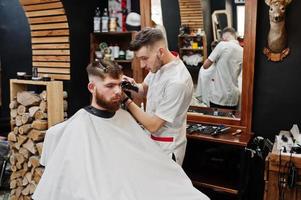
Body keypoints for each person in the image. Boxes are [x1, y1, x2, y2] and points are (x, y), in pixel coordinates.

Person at [32, 60, 209, 200]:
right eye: (110, 86)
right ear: (92, 87)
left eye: (119, 84)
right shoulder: (78, 125)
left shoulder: (124, 118)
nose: (118, 91)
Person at [123, 27, 194, 166]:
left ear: (160, 52)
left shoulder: (177, 81)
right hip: (152, 142)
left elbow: (153, 125)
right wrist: (128, 85)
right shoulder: (158, 66)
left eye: (144, 59)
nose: (143, 65)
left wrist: (126, 100)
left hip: (167, 149)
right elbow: (144, 88)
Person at [202, 27, 243, 110]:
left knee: (217, 121)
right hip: (233, 96)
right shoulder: (242, 51)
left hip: (218, 96)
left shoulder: (222, 45)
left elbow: (205, 66)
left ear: (224, 37)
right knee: (230, 121)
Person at [195, 40, 219, 106]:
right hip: (210, 68)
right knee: (203, 72)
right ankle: (205, 96)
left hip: (214, 69)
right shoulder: (213, 55)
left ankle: (206, 97)